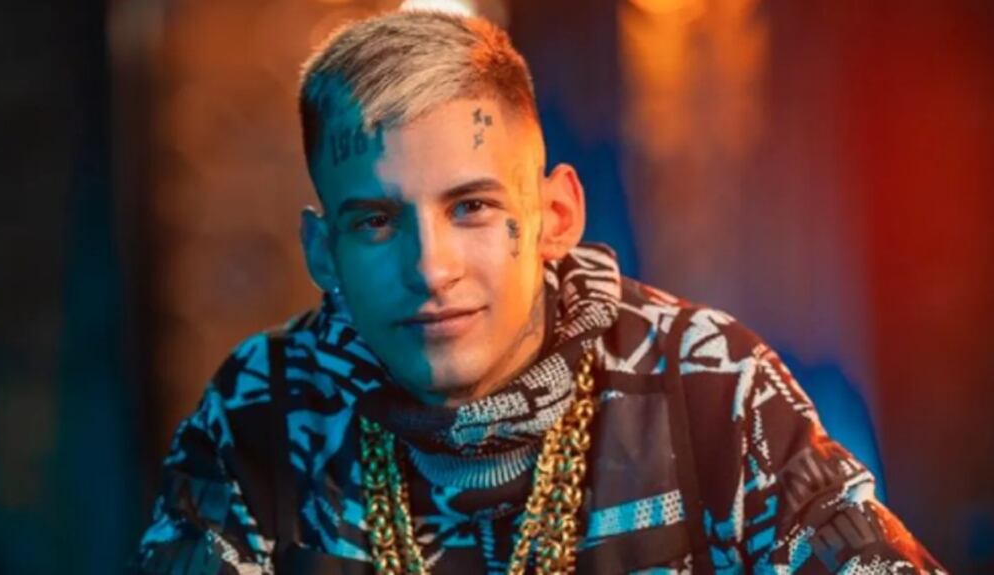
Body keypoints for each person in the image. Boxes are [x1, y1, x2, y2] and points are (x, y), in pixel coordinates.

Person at [134, 9, 944, 575]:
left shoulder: (708, 382)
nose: (431, 268)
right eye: (376, 221)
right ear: (323, 251)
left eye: (471, 207)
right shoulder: (263, 408)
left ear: (555, 215)